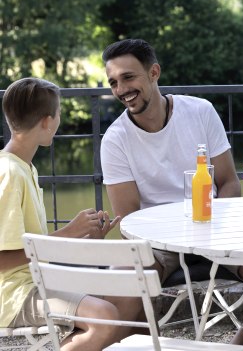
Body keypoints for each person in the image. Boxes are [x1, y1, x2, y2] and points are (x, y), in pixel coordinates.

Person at [100, 38, 243, 347]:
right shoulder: (115, 140)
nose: (121, 89)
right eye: (113, 82)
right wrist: (176, 236)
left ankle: (236, 347)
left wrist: (213, 228)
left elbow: (229, 183)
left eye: (129, 77)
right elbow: (129, 218)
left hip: (215, 232)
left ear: (154, 72)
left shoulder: (200, 111)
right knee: (123, 285)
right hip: (158, 244)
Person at [0, 77, 134, 350]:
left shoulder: (25, 168)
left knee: (111, 300)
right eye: (59, 114)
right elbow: (3, 259)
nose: (59, 121)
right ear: (47, 121)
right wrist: (69, 231)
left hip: (34, 282)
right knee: (105, 316)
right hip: (12, 295)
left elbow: (33, 250)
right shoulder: (10, 173)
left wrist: (86, 240)